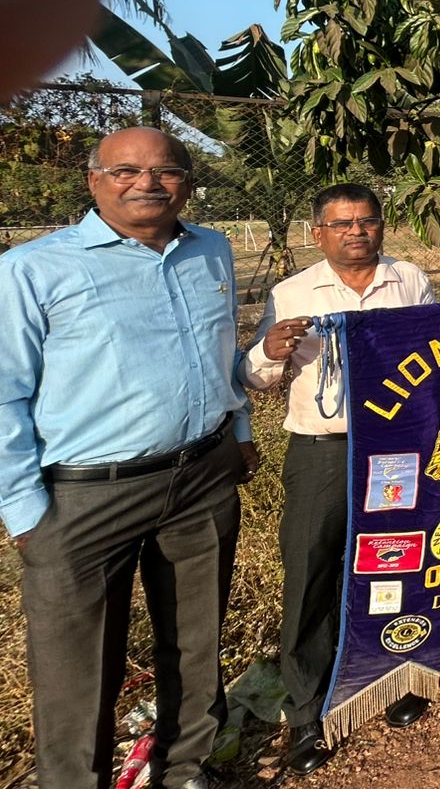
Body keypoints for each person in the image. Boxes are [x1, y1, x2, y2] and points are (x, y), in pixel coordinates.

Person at [0, 127, 257, 789]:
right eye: (125, 170)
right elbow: (4, 394)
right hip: (86, 496)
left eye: (167, 170)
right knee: (78, 669)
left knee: (197, 642)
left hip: (200, 475)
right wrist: (25, 510)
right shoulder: (34, 270)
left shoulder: (212, 251)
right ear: (93, 181)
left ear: (188, 183)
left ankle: (187, 768)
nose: (147, 182)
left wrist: (240, 428)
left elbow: (222, 350)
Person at [236, 184, 437, 775]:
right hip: (323, 451)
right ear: (318, 233)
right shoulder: (291, 291)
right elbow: (255, 376)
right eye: (342, 223)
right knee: (311, 572)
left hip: (398, 452)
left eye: (367, 220)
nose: (357, 231)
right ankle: (307, 712)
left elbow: (438, 353)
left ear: (382, 226)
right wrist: (269, 351)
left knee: (394, 561)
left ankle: (394, 677)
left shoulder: (410, 281)